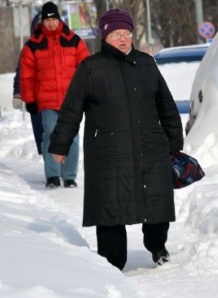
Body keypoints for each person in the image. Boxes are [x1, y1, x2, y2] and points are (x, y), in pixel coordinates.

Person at [49, 8, 184, 270]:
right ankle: (112, 263)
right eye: (116, 34)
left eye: (126, 33)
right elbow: (71, 110)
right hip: (108, 150)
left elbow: (166, 106)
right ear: (105, 36)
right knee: (109, 205)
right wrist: (60, 144)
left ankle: (158, 247)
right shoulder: (90, 68)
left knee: (156, 199)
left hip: (150, 146)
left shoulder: (146, 63)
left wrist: (174, 141)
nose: (123, 39)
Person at [20, 2, 89, 188]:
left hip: (71, 100)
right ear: (42, 21)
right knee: (50, 131)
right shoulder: (33, 45)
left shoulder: (74, 41)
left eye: (53, 19)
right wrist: (30, 99)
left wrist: (87, 94)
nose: (50, 23)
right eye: (47, 20)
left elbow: (87, 70)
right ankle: (52, 175)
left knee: (72, 136)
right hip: (47, 100)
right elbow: (26, 75)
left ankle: (69, 176)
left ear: (59, 19)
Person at [13, 12, 44, 155]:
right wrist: (17, 93)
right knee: (42, 134)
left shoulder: (61, 46)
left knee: (58, 133)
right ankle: (51, 170)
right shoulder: (29, 48)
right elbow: (21, 72)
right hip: (35, 99)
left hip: (58, 97)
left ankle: (60, 167)